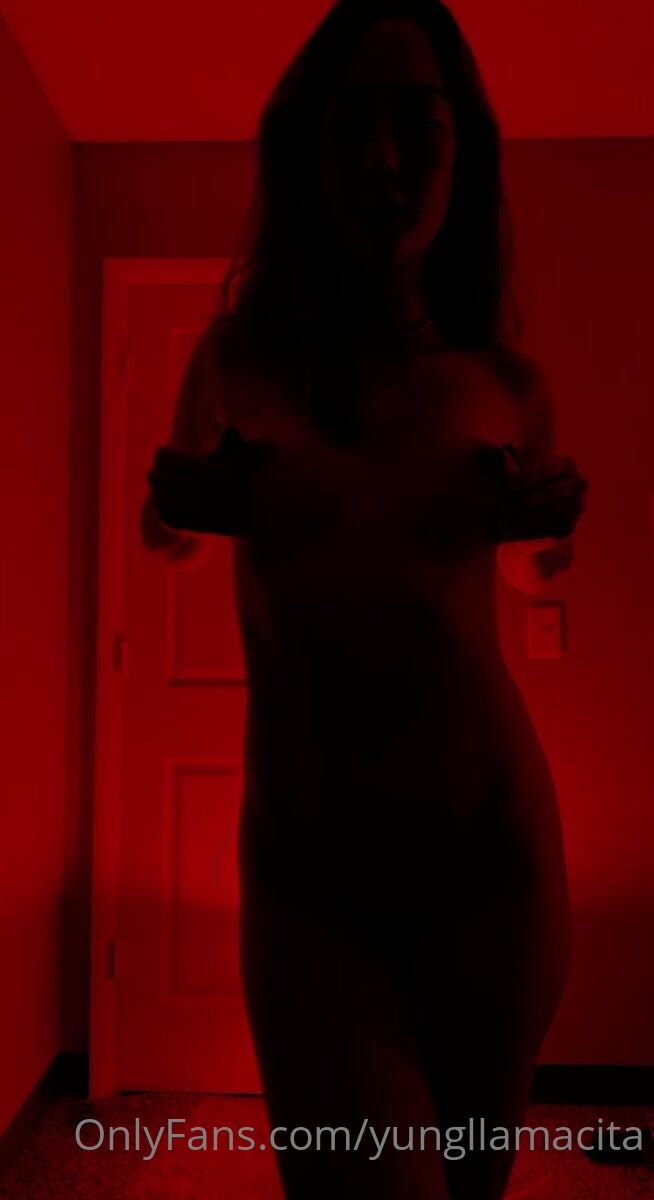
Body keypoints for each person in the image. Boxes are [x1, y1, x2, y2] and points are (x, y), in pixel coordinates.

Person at [146, 2, 588, 1196]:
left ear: (461, 148)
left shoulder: (507, 384)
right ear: (307, 149)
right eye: (351, 124)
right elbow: (166, 534)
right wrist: (184, 504)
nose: (383, 157)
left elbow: (530, 574)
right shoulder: (234, 359)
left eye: (415, 121)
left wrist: (544, 533)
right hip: (313, 885)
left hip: (495, 868)